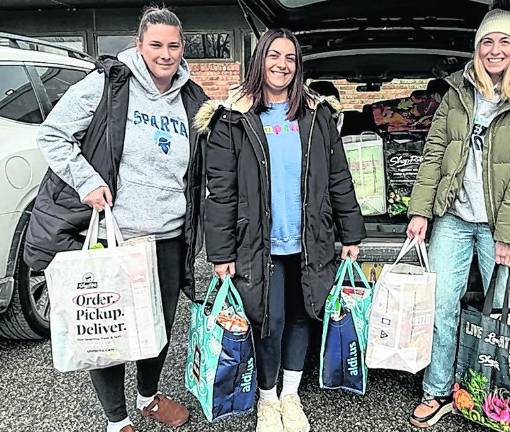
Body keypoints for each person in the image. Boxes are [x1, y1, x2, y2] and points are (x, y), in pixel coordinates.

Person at [25, 6, 208, 432]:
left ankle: (147, 397)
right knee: (107, 329)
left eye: (173, 45)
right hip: (116, 234)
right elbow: (52, 133)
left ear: (183, 48)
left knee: (157, 327)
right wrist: (87, 182)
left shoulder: (191, 97)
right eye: (156, 44)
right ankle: (116, 419)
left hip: (169, 236)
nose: (165, 54)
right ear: (139, 44)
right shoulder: (110, 84)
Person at [196, 28, 365, 432]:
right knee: (266, 320)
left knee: (304, 313)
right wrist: (220, 253)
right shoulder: (233, 118)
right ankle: (267, 399)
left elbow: (339, 176)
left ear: (298, 65)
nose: (281, 65)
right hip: (257, 242)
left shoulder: (317, 115)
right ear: (260, 60)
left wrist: (351, 232)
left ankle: (290, 395)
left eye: (290, 58)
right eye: (274, 55)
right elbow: (219, 189)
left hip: (310, 239)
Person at [405, 7, 510, 428]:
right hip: (453, 219)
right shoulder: (457, 94)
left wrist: (509, 234)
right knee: (441, 305)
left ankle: (500, 397)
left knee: (504, 312)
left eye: (505, 41)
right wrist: (420, 210)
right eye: (487, 42)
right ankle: (438, 390)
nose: (494, 50)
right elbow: (435, 153)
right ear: (477, 49)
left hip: (500, 226)